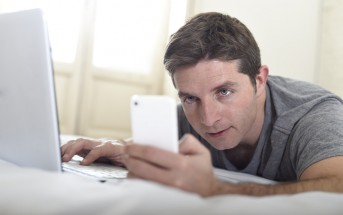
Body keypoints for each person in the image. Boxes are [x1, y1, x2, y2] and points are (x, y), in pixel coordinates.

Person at [61, 12, 343, 196]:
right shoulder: (190, 114)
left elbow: (336, 189)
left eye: (224, 92)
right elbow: (145, 146)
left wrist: (215, 189)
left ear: (259, 79)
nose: (207, 118)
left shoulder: (313, 116)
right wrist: (118, 147)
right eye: (190, 98)